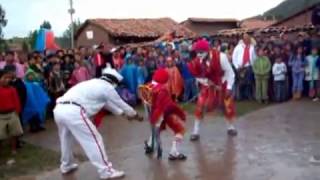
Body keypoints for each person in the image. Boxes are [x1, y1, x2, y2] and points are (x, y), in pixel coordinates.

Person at [53, 67, 142, 179]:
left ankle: (66, 165)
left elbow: (106, 103)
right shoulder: (107, 87)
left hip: (59, 109)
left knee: (66, 139)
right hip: (74, 112)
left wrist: (123, 114)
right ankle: (106, 172)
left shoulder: (93, 83)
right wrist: (134, 115)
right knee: (94, 140)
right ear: (113, 82)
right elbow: (121, 103)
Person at [188, 39, 237, 141]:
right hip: (208, 85)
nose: (199, 54)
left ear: (207, 50)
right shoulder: (197, 61)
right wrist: (206, 81)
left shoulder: (221, 57)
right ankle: (195, 131)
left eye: (201, 52)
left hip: (223, 83)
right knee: (200, 106)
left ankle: (230, 127)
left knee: (227, 105)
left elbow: (230, 73)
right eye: (197, 52)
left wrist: (228, 87)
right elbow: (197, 76)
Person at [142, 69, 187, 160]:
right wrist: (181, 113)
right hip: (163, 114)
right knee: (180, 129)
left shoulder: (147, 86)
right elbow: (170, 105)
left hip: (153, 115)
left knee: (157, 130)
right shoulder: (162, 90)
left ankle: (150, 145)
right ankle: (174, 152)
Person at [0, 69, 23, 154]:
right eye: (4, 78)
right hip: (1, 115)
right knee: (1, 134)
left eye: (8, 78)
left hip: (12, 113)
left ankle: (13, 149)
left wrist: (17, 111)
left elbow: (16, 100)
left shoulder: (12, 89)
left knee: (14, 132)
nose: (7, 80)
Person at [232, 34, 256, 100]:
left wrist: (254, 66)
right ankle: (240, 96)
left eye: (248, 38)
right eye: (245, 39)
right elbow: (234, 57)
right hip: (240, 67)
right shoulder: (238, 47)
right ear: (243, 40)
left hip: (249, 67)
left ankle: (248, 95)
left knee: (249, 82)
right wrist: (237, 67)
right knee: (241, 83)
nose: (247, 40)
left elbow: (254, 58)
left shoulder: (252, 47)